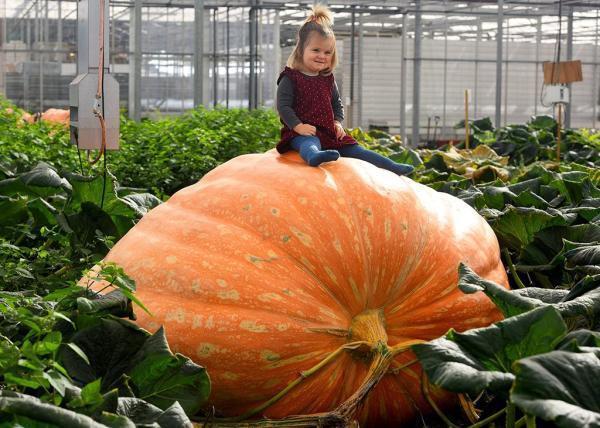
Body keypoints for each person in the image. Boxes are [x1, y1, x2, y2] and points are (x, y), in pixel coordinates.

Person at [276, 5, 414, 176]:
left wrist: (337, 123)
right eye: (316, 50)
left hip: (329, 132)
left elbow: (336, 104)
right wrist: (298, 126)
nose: (322, 56)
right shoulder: (290, 78)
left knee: (358, 150)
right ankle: (314, 157)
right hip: (302, 133)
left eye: (328, 52)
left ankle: (393, 166)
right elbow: (283, 107)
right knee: (308, 143)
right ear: (300, 50)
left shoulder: (327, 78)